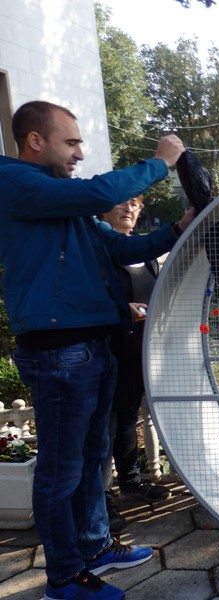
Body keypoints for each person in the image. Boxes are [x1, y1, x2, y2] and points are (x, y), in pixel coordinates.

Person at [0, 100, 195, 600]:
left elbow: (123, 248)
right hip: (59, 352)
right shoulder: (15, 183)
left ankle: (94, 547)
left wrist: (176, 229)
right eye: (72, 142)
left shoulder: (64, 203)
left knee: (91, 461)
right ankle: (63, 578)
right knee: (61, 471)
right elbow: (103, 191)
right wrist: (162, 162)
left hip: (93, 346)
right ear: (35, 141)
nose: (80, 152)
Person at [98, 196, 169, 537]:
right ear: (103, 210)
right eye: (122, 203)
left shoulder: (147, 255)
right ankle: (103, 499)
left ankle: (130, 482)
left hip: (141, 353)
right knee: (106, 426)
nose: (129, 209)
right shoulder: (101, 252)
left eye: (136, 205)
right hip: (109, 352)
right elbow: (95, 297)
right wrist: (121, 308)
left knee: (127, 417)